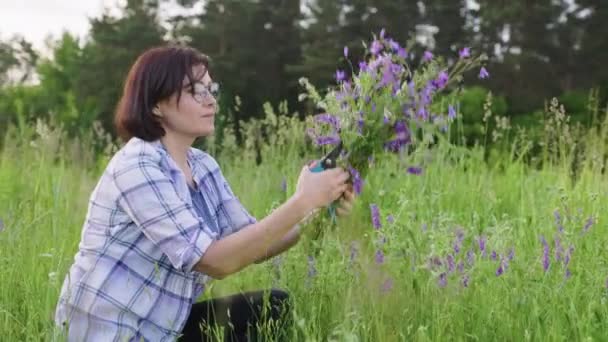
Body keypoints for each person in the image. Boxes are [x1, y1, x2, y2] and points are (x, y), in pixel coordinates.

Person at [54, 45, 355, 341]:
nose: (210, 100)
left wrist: (315, 216)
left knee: (272, 307)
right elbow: (216, 262)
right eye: (195, 90)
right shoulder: (138, 167)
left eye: (211, 89)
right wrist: (302, 199)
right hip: (115, 333)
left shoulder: (202, 165)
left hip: (162, 329)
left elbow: (256, 242)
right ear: (155, 104)